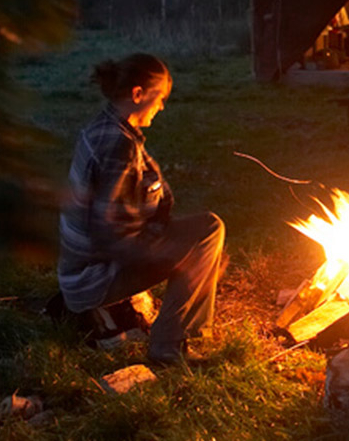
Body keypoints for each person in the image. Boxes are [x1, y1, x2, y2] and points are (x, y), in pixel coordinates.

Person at [58, 53, 226, 367]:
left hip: (80, 272)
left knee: (204, 233)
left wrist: (167, 237)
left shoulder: (106, 127)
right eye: (160, 98)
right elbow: (112, 233)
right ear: (138, 94)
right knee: (207, 233)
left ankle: (174, 336)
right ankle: (169, 346)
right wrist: (179, 256)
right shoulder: (117, 145)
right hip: (93, 278)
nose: (162, 107)